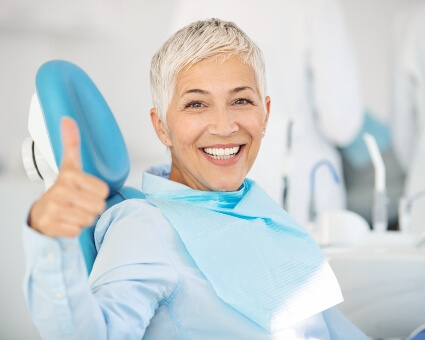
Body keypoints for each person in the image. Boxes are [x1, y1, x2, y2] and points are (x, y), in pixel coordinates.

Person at [23, 18, 368, 339]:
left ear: (265, 115)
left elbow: (324, 327)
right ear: (162, 127)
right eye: (196, 105)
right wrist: (49, 240)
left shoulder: (255, 209)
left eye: (241, 100)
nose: (224, 125)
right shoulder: (147, 226)